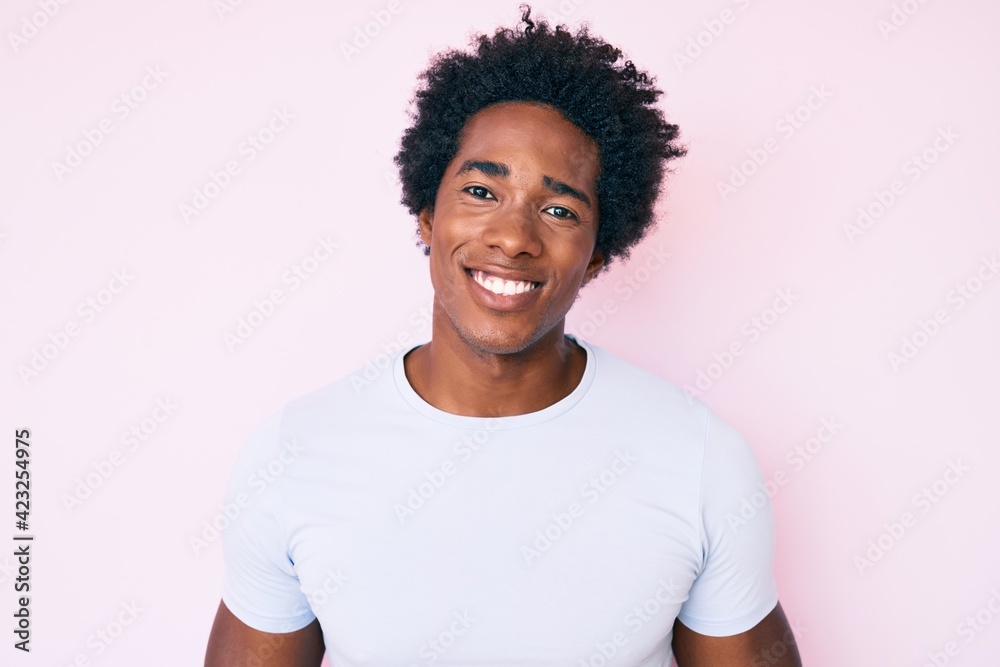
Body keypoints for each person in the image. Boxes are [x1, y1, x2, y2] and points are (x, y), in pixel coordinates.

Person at [205, 7, 802, 666]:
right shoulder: (296, 454)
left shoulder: (699, 461)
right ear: (428, 216)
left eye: (558, 208)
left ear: (598, 252)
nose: (514, 237)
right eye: (482, 190)